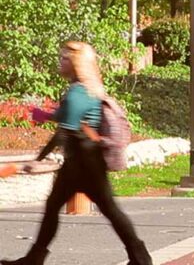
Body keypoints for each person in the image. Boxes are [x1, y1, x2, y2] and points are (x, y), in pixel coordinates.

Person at [2, 42, 151, 265]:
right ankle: (35, 258)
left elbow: (67, 129)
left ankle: (140, 257)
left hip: (85, 162)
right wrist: (43, 118)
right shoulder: (86, 89)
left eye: (64, 59)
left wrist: (36, 163)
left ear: (76, 63)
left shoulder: (78, 92)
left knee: (107, 209)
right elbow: (66, 122)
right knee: (60, 207)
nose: (60, 62)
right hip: (83, 160)